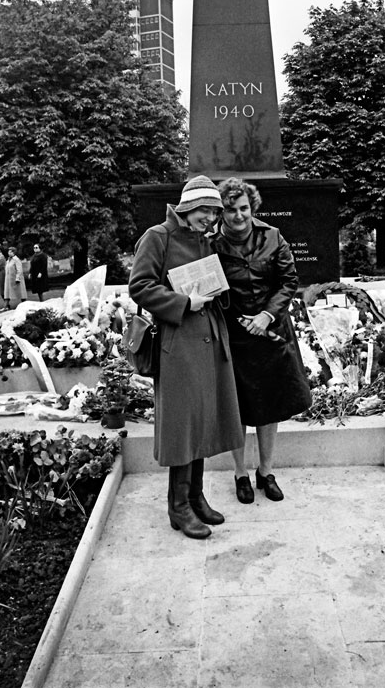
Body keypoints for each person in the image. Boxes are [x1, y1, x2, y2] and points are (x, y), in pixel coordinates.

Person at [128, 176, 244, 539]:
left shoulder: (203, 241)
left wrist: (215, 290)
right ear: (187, 207)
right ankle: (178, 508)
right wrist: (184, 303)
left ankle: (196, 497)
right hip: (178, 345)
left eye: (214, 212)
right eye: (205, 210)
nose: (209, 218)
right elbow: (140, 285)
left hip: (208, 340)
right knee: (183, 425)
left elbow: (208, 286)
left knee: (203, 421)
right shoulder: (157, 236)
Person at [213, 177, 312, 504]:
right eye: (231, 209)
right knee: (237, 408)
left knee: (270, 408)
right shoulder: (211, 244)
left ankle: (265, 472)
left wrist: (267, 315)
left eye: (244, 208)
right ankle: (240, 473)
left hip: (270, 335)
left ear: (252, 207)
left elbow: (288, 280)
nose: (238, 215)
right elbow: (207, 289)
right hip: (233, 339)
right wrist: (233, 316)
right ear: (222, 212)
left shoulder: (273, 236)